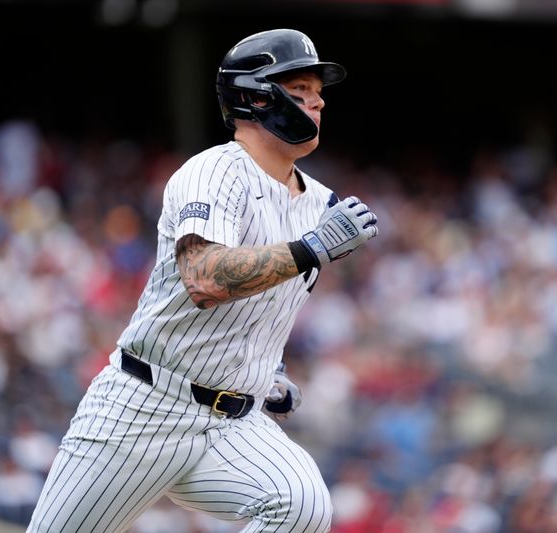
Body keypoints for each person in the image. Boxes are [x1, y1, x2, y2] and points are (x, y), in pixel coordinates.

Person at [27, 28, 378, 533]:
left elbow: (268, 305)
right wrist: (310, 248)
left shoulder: (320, 202)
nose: (318, 100)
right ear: (256, 96)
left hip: (233, 425)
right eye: (300, 89)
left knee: (304, 507)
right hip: (144, 407)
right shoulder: (213, 171)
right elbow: (204, 278)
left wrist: (261, 372)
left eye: (318, 91)